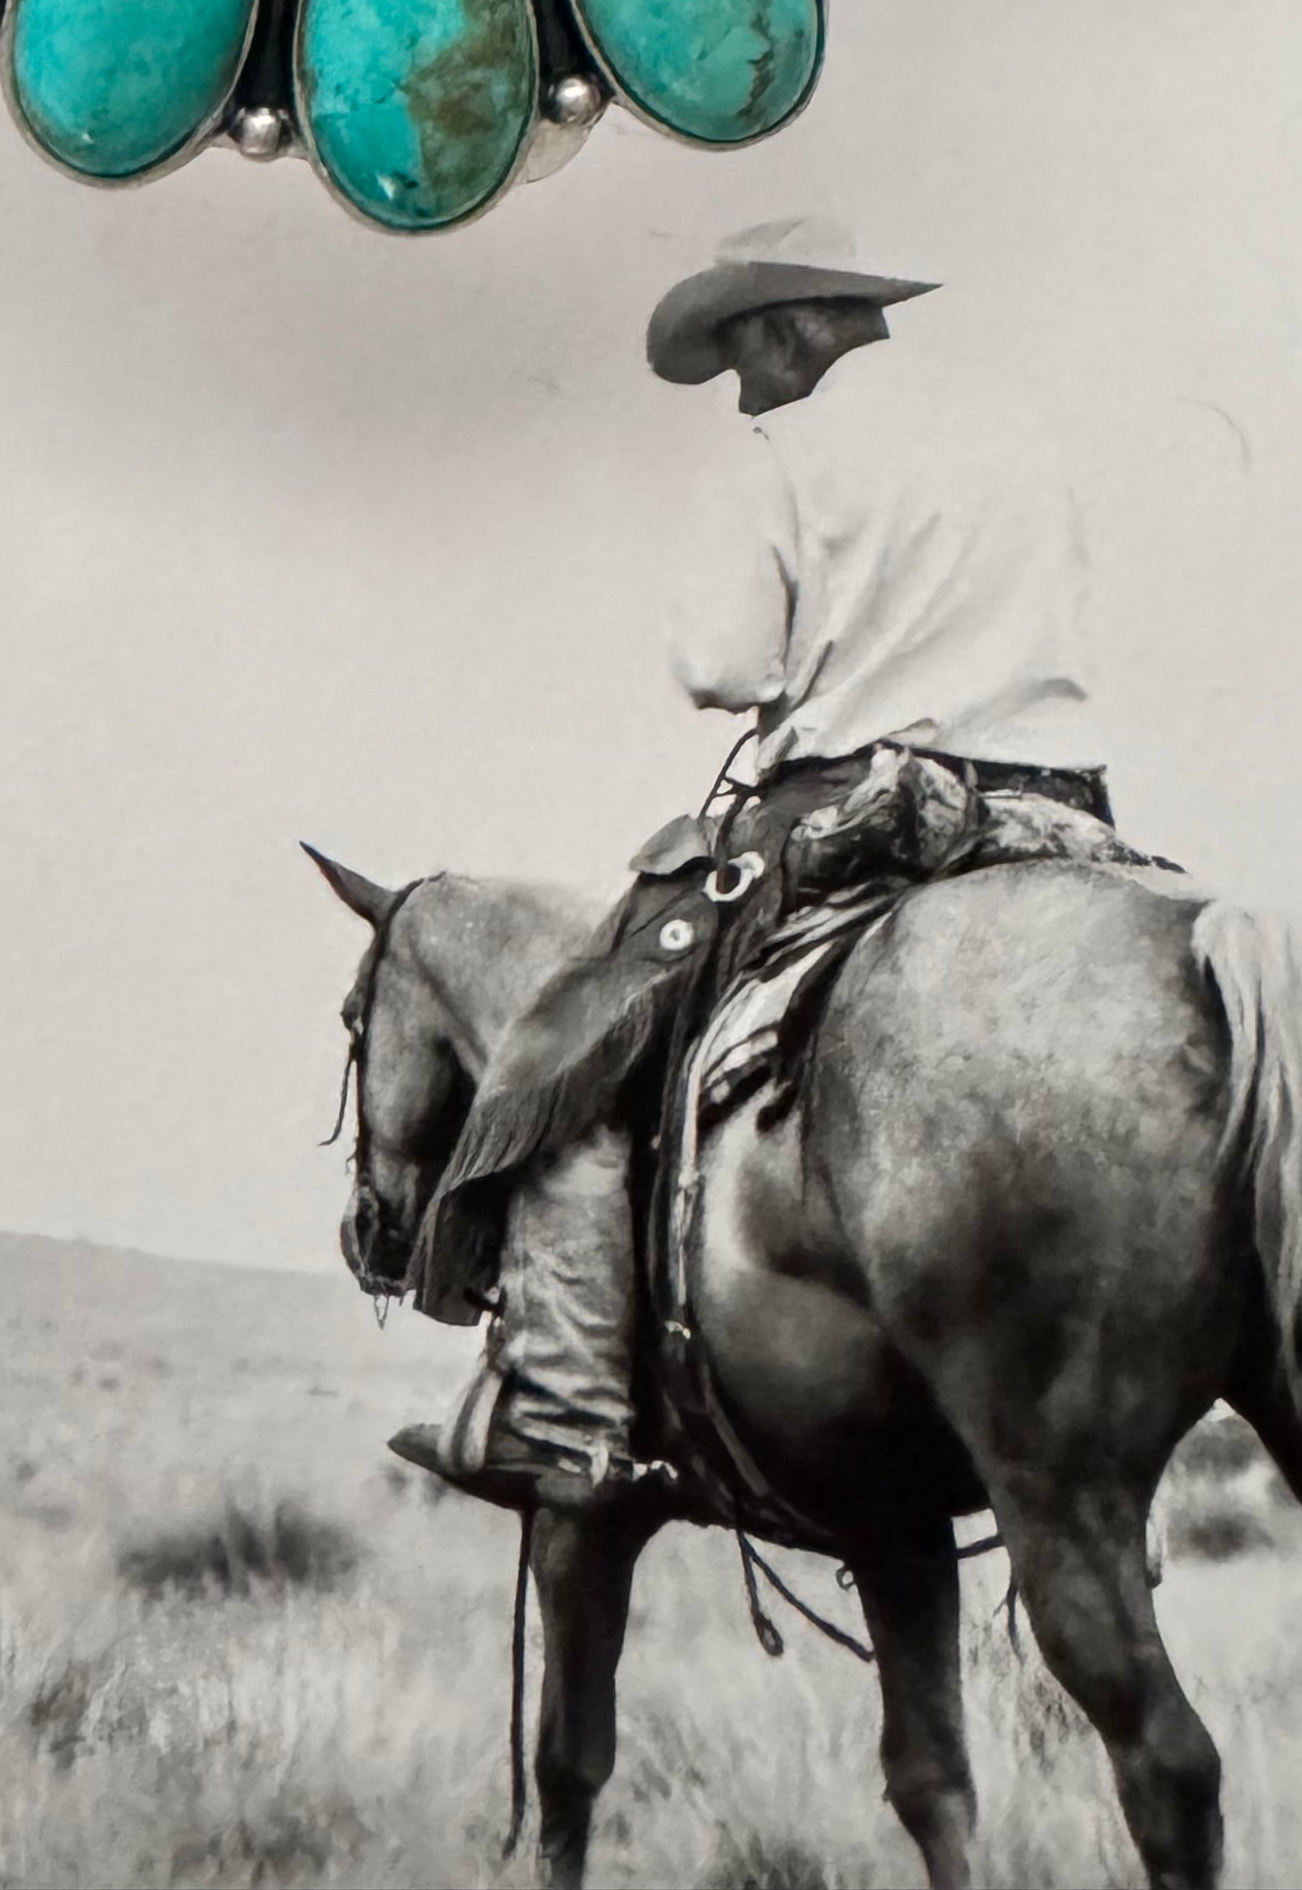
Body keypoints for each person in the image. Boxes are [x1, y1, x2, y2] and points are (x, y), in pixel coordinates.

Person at [391, 218, 1110, 1517]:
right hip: (1060, 815)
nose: (742, 395)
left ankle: (570, 1415)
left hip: (854, 812)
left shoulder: (786, 454)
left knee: (570, 1049)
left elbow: (721, 669)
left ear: (789, 330)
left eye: (741, 362)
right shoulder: (1021, 437)